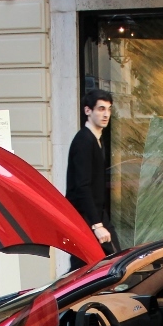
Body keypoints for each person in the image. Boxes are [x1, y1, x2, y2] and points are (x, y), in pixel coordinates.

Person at [66, 88, 116, 269]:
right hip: (85, 218)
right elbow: (82, 186)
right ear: (88, 111)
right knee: (86, 269)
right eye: (101, 109)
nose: (106, 114)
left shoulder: (96, 139)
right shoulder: (84, 141)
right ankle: (61, 296)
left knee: (101, 266)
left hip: (94, 215)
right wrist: (97, 225)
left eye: (109, 109)